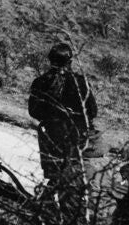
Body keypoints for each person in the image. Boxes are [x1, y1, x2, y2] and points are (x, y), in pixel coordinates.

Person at [28, 42, 97, 186]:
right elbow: (92, 111)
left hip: (51, 135)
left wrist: (52, 117)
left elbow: (33, 111)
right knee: (75, 174)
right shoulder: (81, 83)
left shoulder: (40, 82)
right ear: (70, 61)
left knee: (57, 173)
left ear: (50, 60)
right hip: (77, 137)